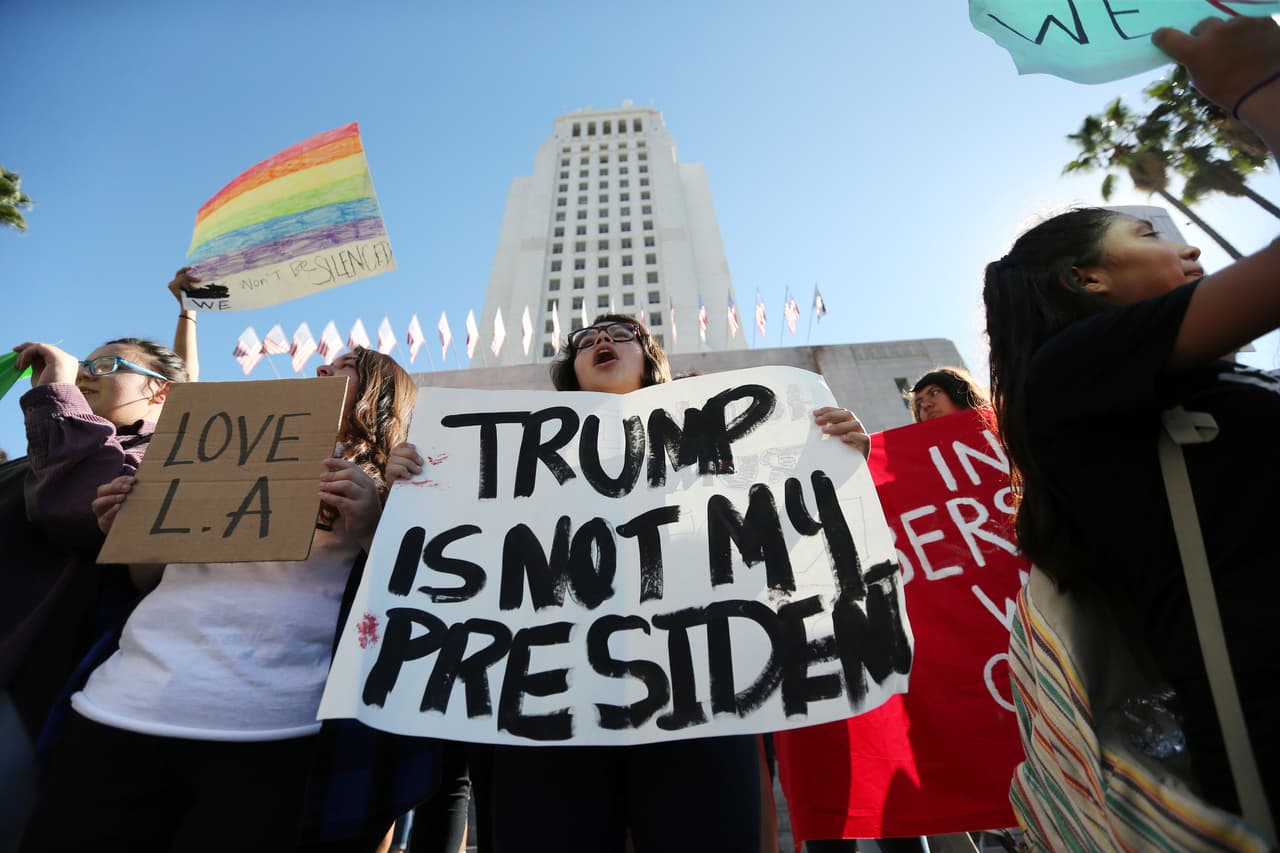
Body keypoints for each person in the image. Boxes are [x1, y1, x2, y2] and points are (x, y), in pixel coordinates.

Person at [389, 314, 871, 852]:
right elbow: (468, 558)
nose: (601, 339)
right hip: (553, 702)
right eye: (585, 340)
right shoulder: (516, 457)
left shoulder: (715, 440)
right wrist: (419, 484)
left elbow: (783, 540)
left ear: (651, 358)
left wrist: (836, 465)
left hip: (698, 698)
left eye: (622, 334)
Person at [983, 15, 1280, 816]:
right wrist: (1259, 87)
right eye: (1150, 231)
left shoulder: (1191, 387)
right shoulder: (1069, 375)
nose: (1190, 250)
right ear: (1086, 278)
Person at [19, 341, 424, 853]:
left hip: (273, 731)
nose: (324, 366)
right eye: (330, 360)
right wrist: (133, 527)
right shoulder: (209, 446)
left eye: (347, 367)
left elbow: (408, 600)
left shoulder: (392, 481)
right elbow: (149, 580)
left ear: (381, 395)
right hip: (117, 709)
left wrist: (370, 525)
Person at [0, 336, 187, 849]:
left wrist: (58, 395)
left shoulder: (163, 459)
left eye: (107, 364)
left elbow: (75, 505)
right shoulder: (37, 450)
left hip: (31, 679)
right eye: (85, 363)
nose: (84, 372)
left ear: (161, 392)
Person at [908, 367, 989, 423]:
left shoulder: (996, 426)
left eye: (934, 393)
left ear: (961, 393)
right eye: (919, 404)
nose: (925, 405)